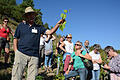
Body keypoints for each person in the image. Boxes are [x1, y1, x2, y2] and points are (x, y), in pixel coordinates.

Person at [11, 6, 65, 80]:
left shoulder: (39, 27)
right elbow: (15, 38)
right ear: (26, 16)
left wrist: (58, 24)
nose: (32, 16)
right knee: (16, 76)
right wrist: (16, 51)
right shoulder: (21, 26)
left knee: (32, 77)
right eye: (29, 14)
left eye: (33, 14)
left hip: (34, 56)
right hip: (21, 53)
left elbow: (50, 32)